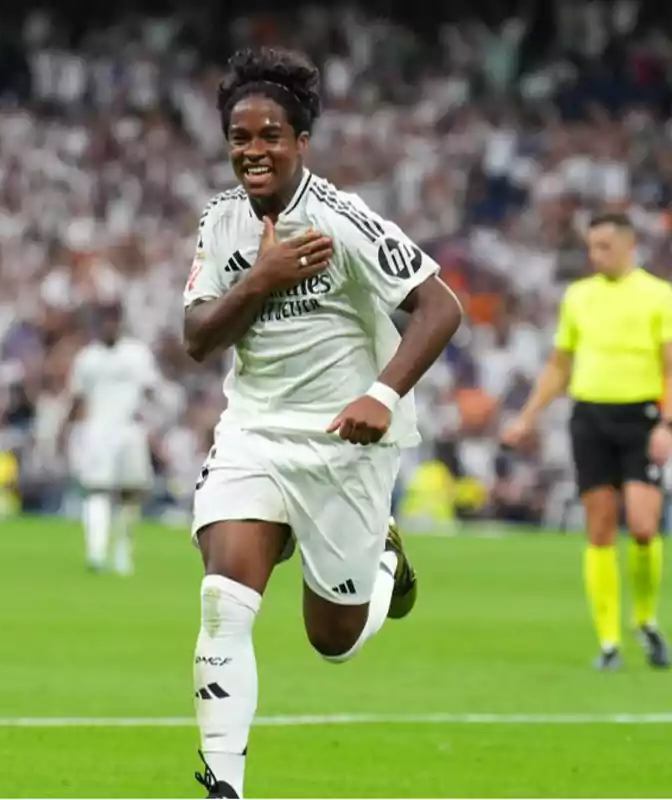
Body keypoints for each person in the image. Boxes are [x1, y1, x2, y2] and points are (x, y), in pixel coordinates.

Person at [182, 47, 463, 798]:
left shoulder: (343, 220)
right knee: (223, 601)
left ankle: (383, 566)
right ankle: (224, 785)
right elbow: (198, 339)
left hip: (344, 440)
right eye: (240, 138)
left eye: (270, 135)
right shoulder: (219, 223)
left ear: (302, 140)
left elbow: (442, 308)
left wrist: (384, 394)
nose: (253, 151)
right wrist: (263, 278)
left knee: (331, 641)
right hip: (253, 433)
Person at [502, 211, 672, 671]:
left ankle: (644, 619)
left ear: (629, 246)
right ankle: (609, 644)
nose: (595, 255)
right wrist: (527, 417)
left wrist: (669, 424)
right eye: (591, 246)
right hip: (589, 416)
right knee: (600, 527)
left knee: (645, 526)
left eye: (604, 246)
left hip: (641, 416)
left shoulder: (658, 294)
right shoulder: (578, 297)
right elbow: (558, 365)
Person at [63, 302, 158, 576]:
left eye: (113, 321)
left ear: (120, 323)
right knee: (97, 489)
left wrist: (152, 419)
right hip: (98, 430)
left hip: (129, 429)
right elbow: (77, 397)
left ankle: (122, 553)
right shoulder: (87, 358)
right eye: (104, 321)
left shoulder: (137, 354)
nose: (109, 326)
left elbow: (150, 389)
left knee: (130, 493)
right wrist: (67, 431)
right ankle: (96, 552)